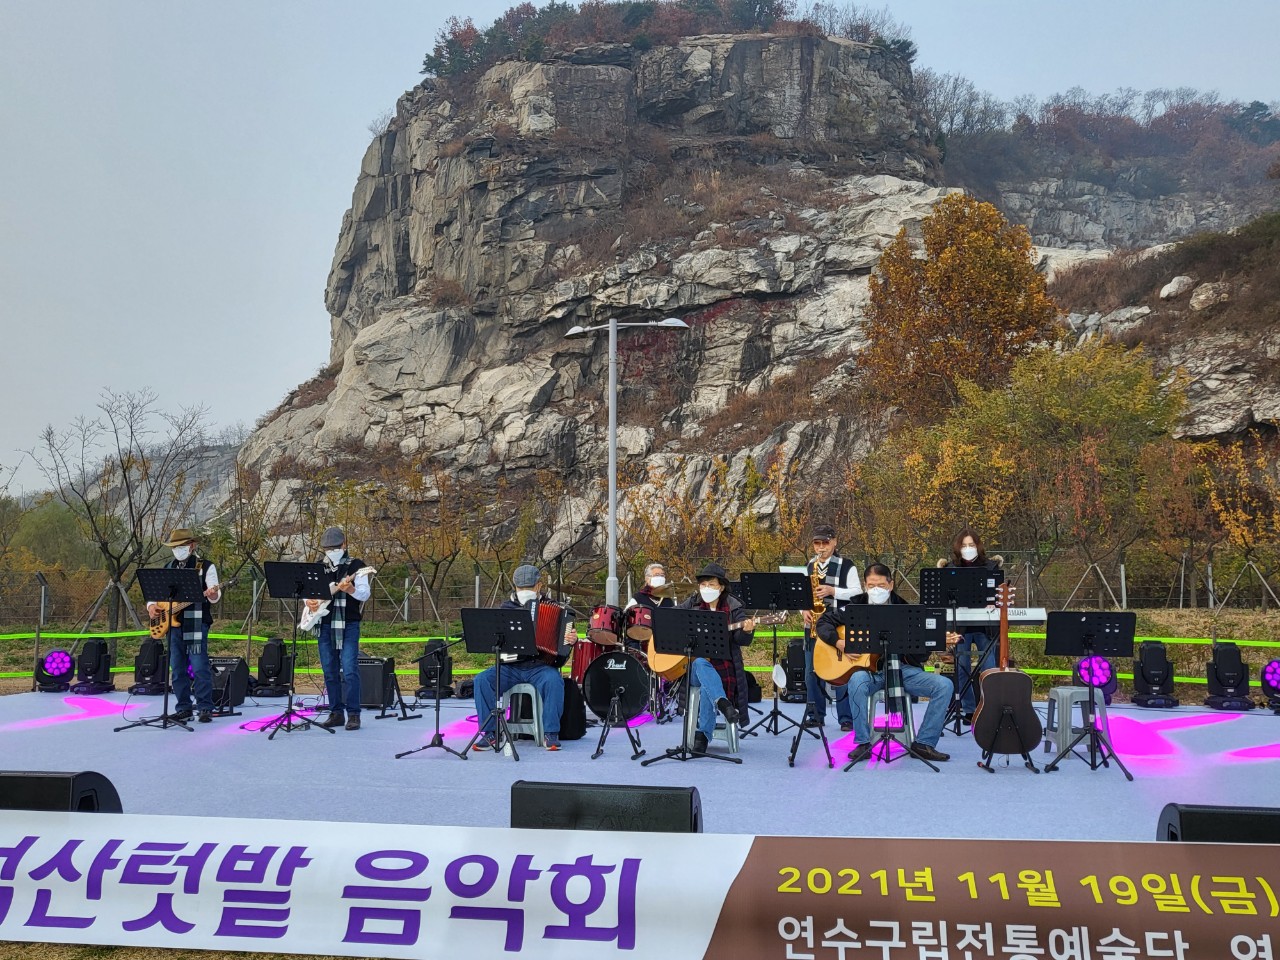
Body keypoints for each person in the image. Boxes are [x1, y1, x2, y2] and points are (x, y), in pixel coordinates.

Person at [816, 563, 955, 764]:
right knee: (856, 680)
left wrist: (933, 642)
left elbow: (919, 656)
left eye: (881, 585)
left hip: (901, 670)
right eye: (871, 585)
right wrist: (839, 642)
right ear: (865, 585)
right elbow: (823, 623)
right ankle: (863, 743)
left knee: (944, 685)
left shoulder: (906, 609)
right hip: (870, 672)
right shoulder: (856, 606)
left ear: (890, 585)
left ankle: (924, 743)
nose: (876, 590)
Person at [472, 564, 576, 752]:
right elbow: (496, 642)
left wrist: (571, 639)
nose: (525, 591)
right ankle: (490, 733)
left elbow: (563, 643)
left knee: (554, 680)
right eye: (522, 588)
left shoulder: (556, 608)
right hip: (510, 667)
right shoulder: (506, 608)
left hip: (540, 666)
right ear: (515, 587)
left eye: (529, 587)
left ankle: (550, 733)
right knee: (482, 680)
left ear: (539, 586)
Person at [677, 563, 755, 753]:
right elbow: (672, 619)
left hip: (724, 667)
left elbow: (740, 641)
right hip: (694, 667)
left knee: (707, 684)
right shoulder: (692, 603)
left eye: (711, 584)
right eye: (703, 584)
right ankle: (723, 704)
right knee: (701, 663)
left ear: (721, 587)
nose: (706, 588)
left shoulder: (734, 608)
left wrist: (747, 631)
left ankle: (702, 735)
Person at [147, 528, 221, 724]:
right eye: (175, 547)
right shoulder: (168, 567)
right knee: (177, 668)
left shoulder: (206, 566)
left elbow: (214, 596)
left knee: (199, 666)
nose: (178, 550)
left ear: (192, 545)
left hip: (197, 622)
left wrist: (212, 593)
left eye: (182, 546)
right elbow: (155, 594)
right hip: (172, 626)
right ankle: (183, 708)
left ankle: (205, 707)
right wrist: (152, 606)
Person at [311, 526, 372, 731]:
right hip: (324, 623)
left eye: (335, 547)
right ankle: (335, 712)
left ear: (344, 545)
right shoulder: (319, 566)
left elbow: (364, 594)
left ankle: (354, 714)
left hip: (349, 623)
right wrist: (309, 603)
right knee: (329, 670)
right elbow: (310, 593)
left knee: (349, 669)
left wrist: (351, 589)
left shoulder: (357, 566)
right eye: (328, 548)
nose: (331, 550)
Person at [802, 524, 862, 731]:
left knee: (842, 670)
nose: (821, 547)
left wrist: (832, 590)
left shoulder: (847, 565)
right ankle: (815, 714)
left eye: (825, 543)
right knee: (812, 670)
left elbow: (857, 593)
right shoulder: (810, 565)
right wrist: (803, 609)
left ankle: (846, 717)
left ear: (834, 542)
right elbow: (804, 594)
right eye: (817, 543)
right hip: (814, 623)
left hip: (838, 625)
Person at [942, 528, 1003, 724]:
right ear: (958, 548)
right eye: (964, 545)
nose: (968, 549)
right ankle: (968, 710)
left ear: (978, 546)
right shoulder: (951, 568)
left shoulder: (991, 567)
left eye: (971, 545)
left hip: (986, 625)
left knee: (989, 667)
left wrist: (994, 601)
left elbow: (1000, 594)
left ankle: (990, 708)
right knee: (962, 666)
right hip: (961, 625)